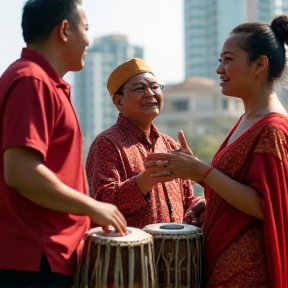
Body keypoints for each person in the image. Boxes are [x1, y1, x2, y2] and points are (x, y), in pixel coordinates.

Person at [145, 15, 288, 288]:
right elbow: (238, 187)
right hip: (224, 262)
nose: (219, 69)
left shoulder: (272, 126)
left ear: (260, 64)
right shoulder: (249, 118)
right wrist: (207, 195)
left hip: (248, 271)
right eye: (219, 60)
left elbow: (263, 205)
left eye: (228, 60)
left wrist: (202, 172)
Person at [0, 0, 126, 287]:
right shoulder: (33, 80)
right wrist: (92, 207)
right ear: (65, 30)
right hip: (36, 257)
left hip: (42, 256)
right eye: (86, 28)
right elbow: (21, 171)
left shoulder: (37, 80)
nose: (88, 40)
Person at [86, 58, 203, 228]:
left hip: (174, 254)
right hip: (132, 253)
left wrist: (197, 205)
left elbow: (186, 199)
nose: (150, 93)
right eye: (139, 88)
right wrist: (145, 181)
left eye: (155, 87)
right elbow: (101, 204)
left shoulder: (170, 145)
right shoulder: (106, 143)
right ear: (119, 102)